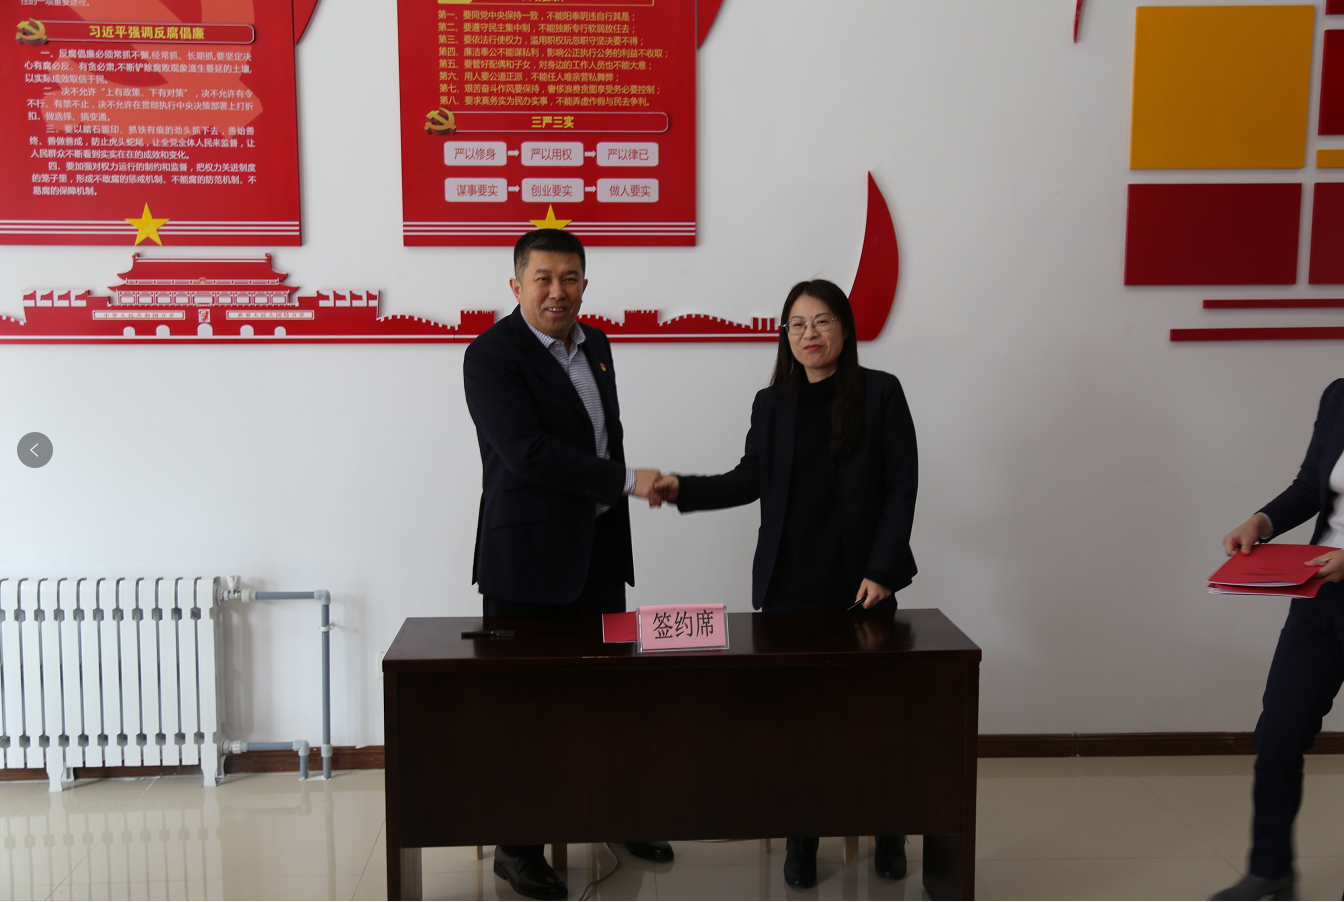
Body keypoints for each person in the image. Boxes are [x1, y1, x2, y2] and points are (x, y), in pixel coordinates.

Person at [653, 278, 918, 889]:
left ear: (845, 328)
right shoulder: (771, 404)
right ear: (785, 336)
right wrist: (682, 488)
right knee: (799, 726)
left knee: (873, 723)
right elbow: (749, 478)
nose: (809, 334)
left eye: (821, 321)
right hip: (789, 589)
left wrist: (883, 568)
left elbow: (901, 483)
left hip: (861, 590)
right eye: (797, 324)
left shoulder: (880, 392)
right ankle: (803, 838)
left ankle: (889, 829)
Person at [462, 228, 673, 901]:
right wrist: (626, 480)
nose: (558, 291)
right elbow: (525, 451)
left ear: (585, 283)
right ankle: (518, 848)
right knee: (527, 710)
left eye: (571, 278)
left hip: (599, 554)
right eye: (544, 278)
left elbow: (601, 436)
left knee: (609, 699)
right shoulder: (490, 355)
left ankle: (617, 816)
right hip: (527, 563)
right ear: (516, 284)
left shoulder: (597, 345)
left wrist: (618, 486)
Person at [1212, 379, 1344, 902]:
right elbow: (1312, 486)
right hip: (1321, 591)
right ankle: (1271, 870)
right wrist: (1260, 522)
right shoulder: (1340, 396)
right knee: (1279, 734)